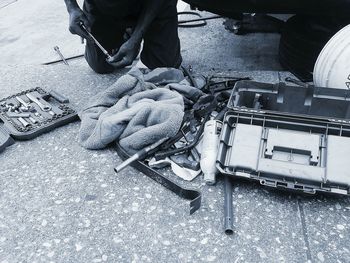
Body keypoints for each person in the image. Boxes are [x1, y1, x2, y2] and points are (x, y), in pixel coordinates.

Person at [63, 0, 182, 73]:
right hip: (104, 6)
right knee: (101, 65)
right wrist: (72, 7)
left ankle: (137, 29)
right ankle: (126, 34)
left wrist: (137, 37)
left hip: (151, 4)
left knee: (164, 67)